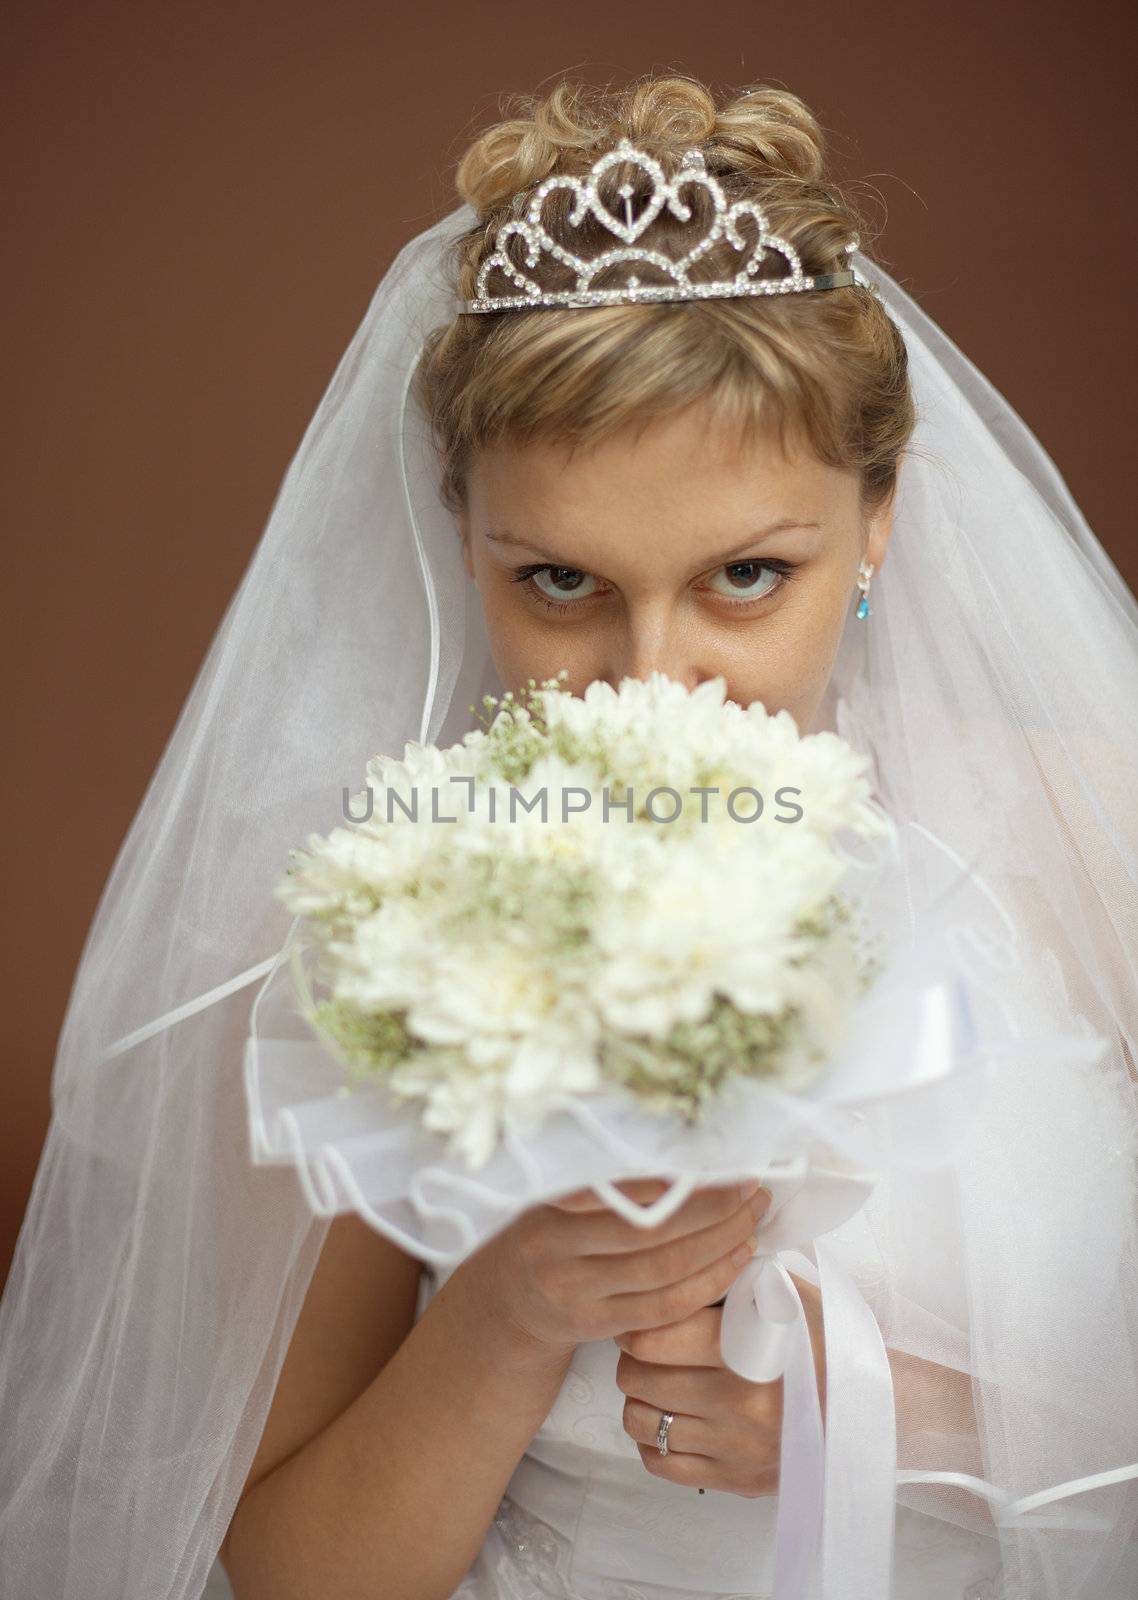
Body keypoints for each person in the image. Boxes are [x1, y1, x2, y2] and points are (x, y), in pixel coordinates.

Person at [1, 72, 1136, 1600]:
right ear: (459, 539)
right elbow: (293, 1574)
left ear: (876, 522)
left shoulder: (1084, 823)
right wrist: (507, 1316)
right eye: (556, 583)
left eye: (744, 576)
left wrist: (889, 1423)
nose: (652, 674)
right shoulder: (366, 927)